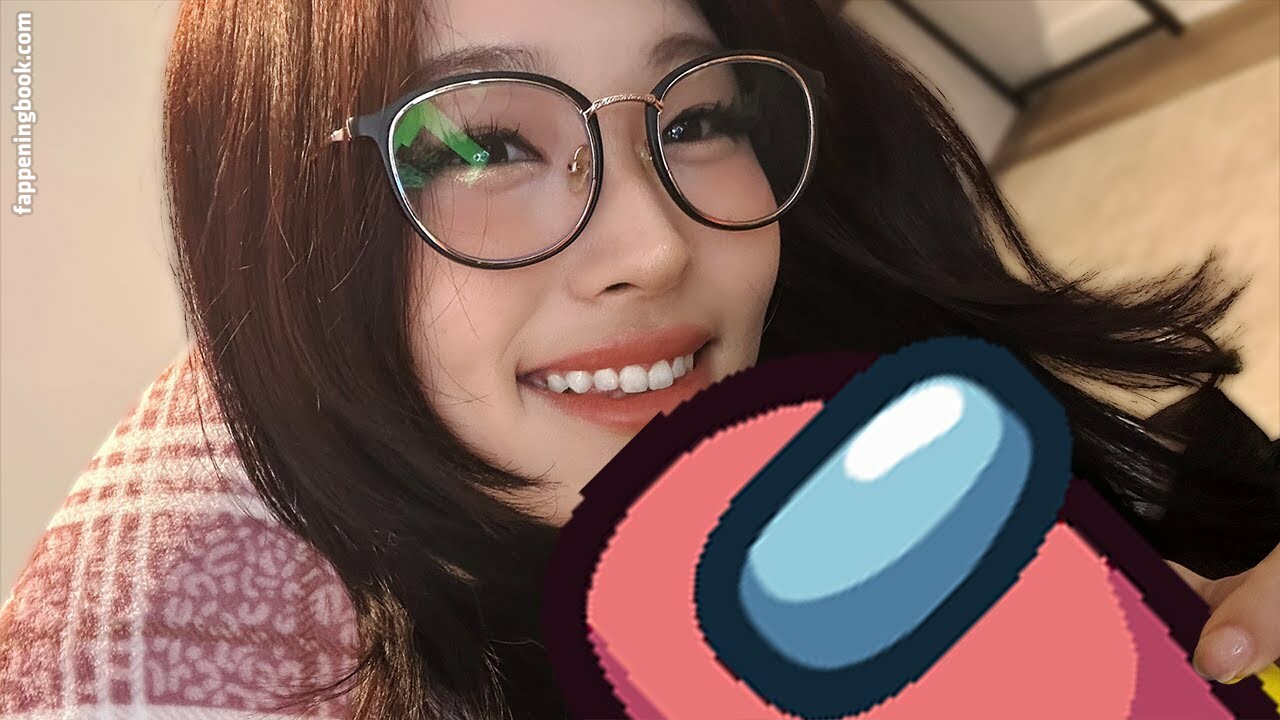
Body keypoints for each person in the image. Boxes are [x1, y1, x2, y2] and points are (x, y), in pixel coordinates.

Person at [1, 0, 1276, 718]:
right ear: (281, 244)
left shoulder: (951, 443)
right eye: (480, 145)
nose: (653, 245)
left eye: (698, 116)